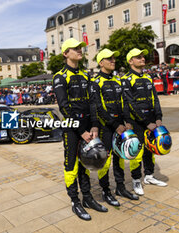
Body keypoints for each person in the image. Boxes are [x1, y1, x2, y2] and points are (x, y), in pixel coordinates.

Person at [53, 38, 107, 221]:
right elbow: (64, 107)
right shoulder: (60, 76)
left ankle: (88, 198)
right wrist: (80, 131)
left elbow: (93, 103)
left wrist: (94, 126)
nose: (79, 50)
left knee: (86, 163)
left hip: (87, 127)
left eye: (80, 48)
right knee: (71, 165)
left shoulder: (86, 76)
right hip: (72, 130)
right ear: (65, 53)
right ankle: (75, 201)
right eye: (75, 48)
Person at [92, 49, 140, 207]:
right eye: (109, 58)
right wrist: (115, 125)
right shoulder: (95, 81)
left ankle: (120, 187)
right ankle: (105, 191)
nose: (113, 60)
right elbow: (99, 108)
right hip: (106, 128)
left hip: (121, 126)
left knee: (120, 157)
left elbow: (124, 103)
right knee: (105, 161)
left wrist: (127, 121)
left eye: (114, 58)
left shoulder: (118, 80)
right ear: (101, 62)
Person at [121, 48, 167, 196]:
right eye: (138, 57)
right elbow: (130, 104)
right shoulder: (126, 79)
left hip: (152, 120)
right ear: (130, 61)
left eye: (142, 56)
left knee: (150, 149)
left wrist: (158, 117)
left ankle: (149, 176)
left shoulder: (148, 78)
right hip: (137, 122)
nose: (142, 59)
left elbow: (155, 99)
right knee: (137, 151)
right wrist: (146, 122)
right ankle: (136, 180)